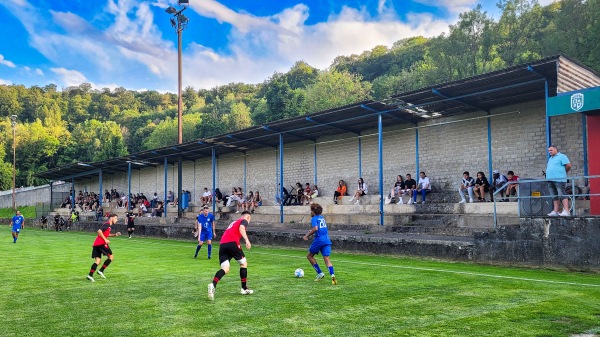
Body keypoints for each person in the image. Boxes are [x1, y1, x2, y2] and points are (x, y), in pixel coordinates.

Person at [207, 211, 254, 301]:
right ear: (247, 217)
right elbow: (241, 228)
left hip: (223, 245)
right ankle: (244, 288)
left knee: (225, 268)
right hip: (232, 243)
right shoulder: (244, 220)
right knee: (244, 263)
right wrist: (247, 240)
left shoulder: (234, 222)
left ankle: (213, 284)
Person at [302, 203, 337, 285]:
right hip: (326, 240)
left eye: (311, 210)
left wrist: (307, 235)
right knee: (327, 259)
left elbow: (316, 228)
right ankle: (332, 276)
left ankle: (320, 273)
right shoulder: (322, 218)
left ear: (313, 211)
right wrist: (312, 231)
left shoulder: (314, 218)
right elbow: (320, 228)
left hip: (319, 240)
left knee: (309, 256)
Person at [86, 213, 121, 282]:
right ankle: (101, 271)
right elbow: (99, 231)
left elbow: (106, 234)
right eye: (116, 218)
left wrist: (115, 234)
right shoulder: (107, 224)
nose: (117, 220)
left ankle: (90, 275)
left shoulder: (109, 226)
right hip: (101, 243)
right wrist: (105, 240)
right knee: (111, 257)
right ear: (111, 218)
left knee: (97, 261)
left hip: (96, 244)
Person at [546, 145, 572, 217]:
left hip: (559, 179)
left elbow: (569, 165)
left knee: (562, 194)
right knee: (554, 196)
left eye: (551, 150)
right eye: (548, 151)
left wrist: (563, 172)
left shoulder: (562, 156)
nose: (549, 152)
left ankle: (566, 211)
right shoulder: (550, 158)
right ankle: (556, 211)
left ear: (556, 149)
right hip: (550, 180)